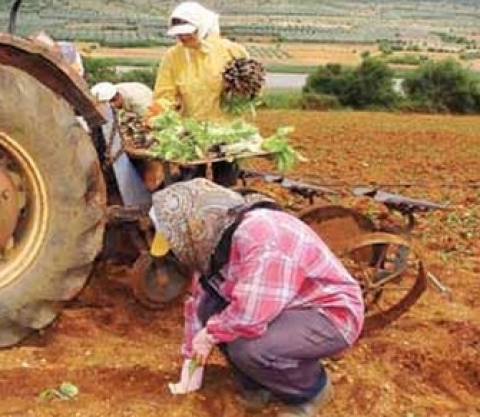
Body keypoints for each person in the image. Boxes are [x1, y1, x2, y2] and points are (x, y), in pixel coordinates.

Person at [149, 178, 364, 417]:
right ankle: (259, 384)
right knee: (211, 311)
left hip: (327, 313)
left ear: (196, 224)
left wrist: (209, 335)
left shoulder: (261, 238)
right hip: (279, 305)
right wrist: (191, 362)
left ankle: (310, 392)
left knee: (250, 348)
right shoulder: (212, 243)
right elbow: (198, 304)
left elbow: (249, 316)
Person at [153, 1, 248, 120]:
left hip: (228, 128)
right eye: (179, 33)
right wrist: (159, 111)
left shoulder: (231, 51)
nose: (183, 37)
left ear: (201, 27)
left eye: (188, 32)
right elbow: (165, 94)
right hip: (192, 129)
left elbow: (252, 88)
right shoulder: (173, 57)